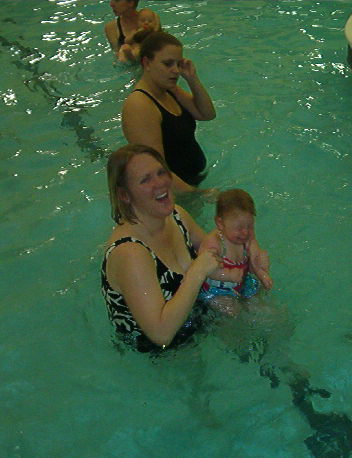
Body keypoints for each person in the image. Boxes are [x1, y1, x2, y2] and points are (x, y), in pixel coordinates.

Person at [101, 144, 223, 352]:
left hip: (199, 318)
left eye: (161, 172)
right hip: (165, 355)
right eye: (145, 180)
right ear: (125, 195)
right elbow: (161, 335)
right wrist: (197, 271)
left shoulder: (176, 216)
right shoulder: (130, 253)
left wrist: (248, 248)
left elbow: (217, 253)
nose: (160, 183)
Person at [121, 31, 216, 193]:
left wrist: (192, 78)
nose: (176, 70)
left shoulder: (169, 90)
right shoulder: (140, 105)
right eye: (168, 64)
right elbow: (155, 170)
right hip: (171, 193)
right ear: (146, 63)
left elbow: (207, 114)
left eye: (178, 64)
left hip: (190, 185)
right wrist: (197, 195)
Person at [199, 189, 273, 315]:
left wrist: (261, 272)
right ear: (220, 223)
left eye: (249, 226)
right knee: (231, 311)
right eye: (239, 228)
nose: (245, 232)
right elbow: (203, 269)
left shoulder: (247, 238)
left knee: (260, 304)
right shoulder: (214, 243)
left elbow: (254, 260)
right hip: (217, 290)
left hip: (241, 283)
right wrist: (227, 275)